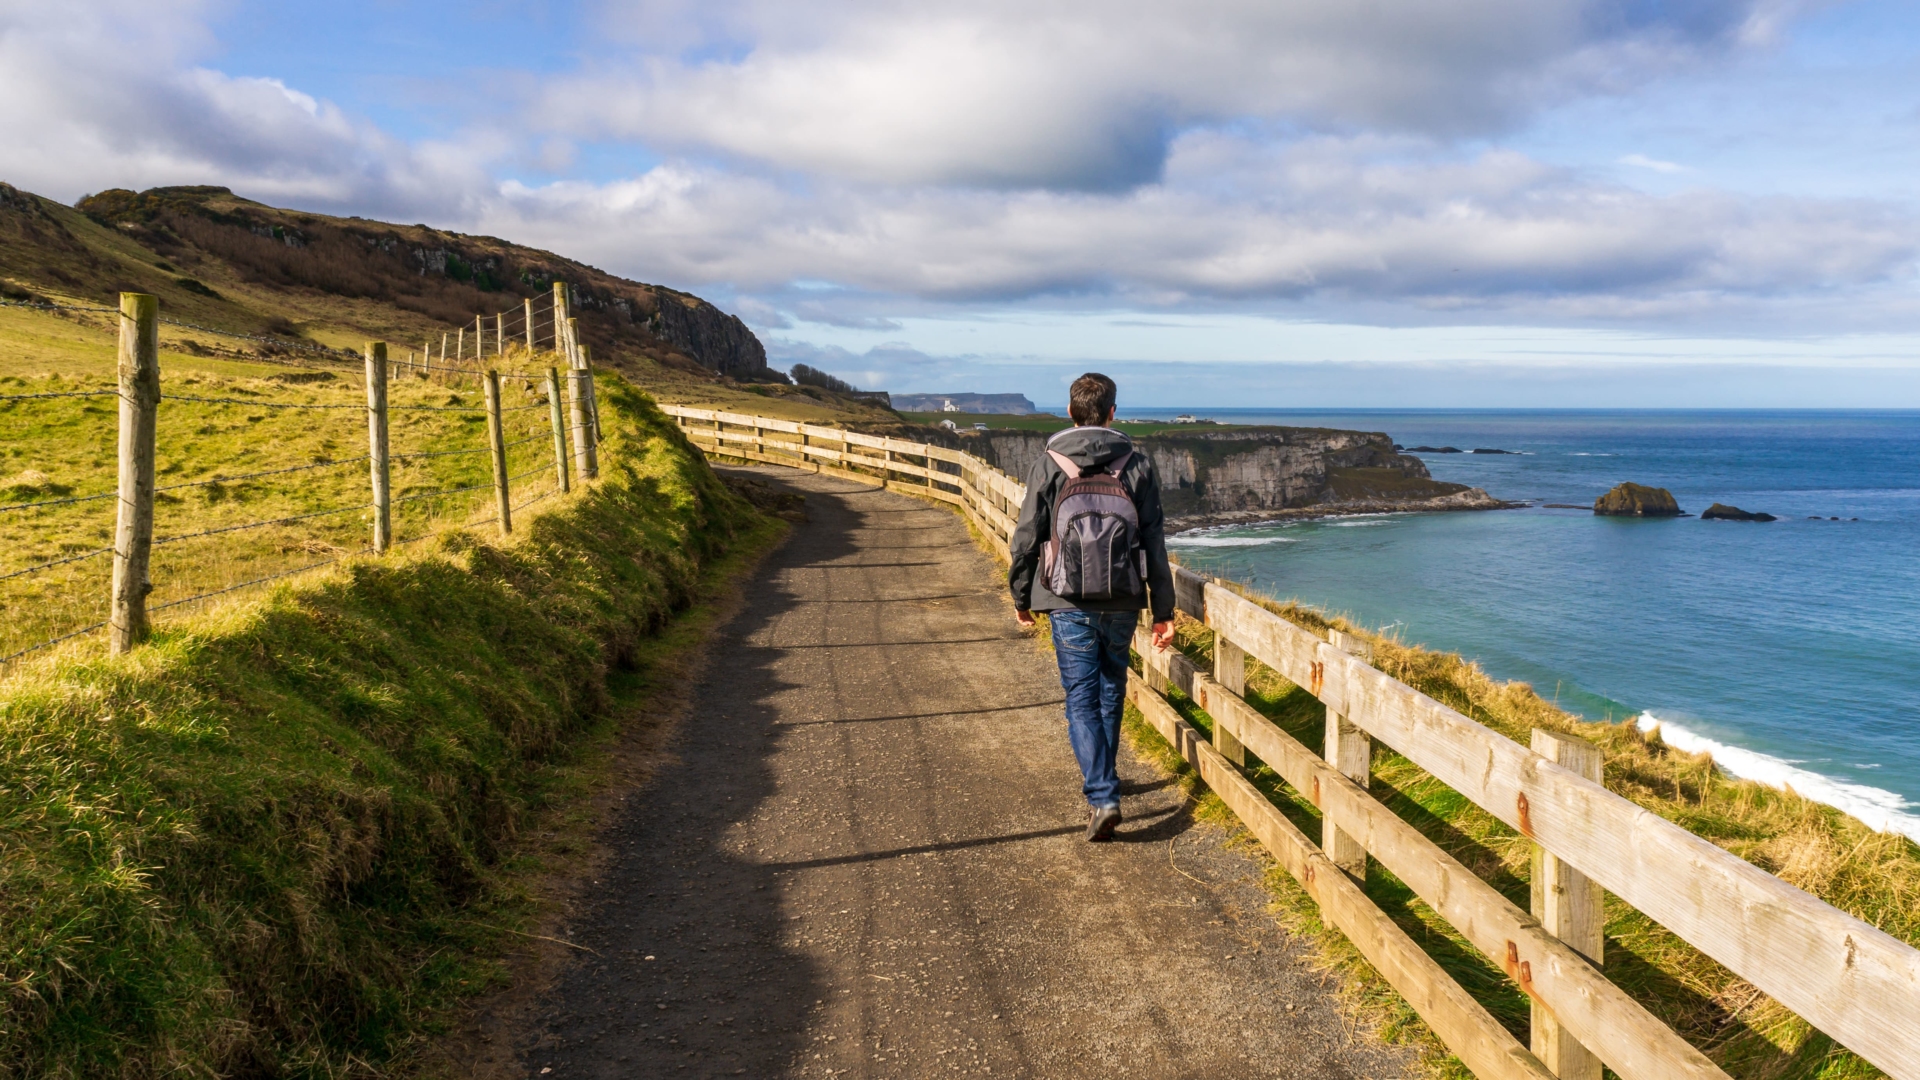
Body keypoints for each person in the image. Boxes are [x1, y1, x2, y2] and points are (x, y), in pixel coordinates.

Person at [1008, 373, 1175, 842]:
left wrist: (1021, 596)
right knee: (1110, 688)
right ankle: (1106, 781)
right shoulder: (1136, 463)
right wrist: (1163, 610)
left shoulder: (1050, 463)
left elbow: (1026, 536)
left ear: (1070, 412)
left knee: (1081, 697)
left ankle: (1102, 795)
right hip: (1123, 598)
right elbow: (1155, 541)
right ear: (1112, 413)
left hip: (1065, 599)